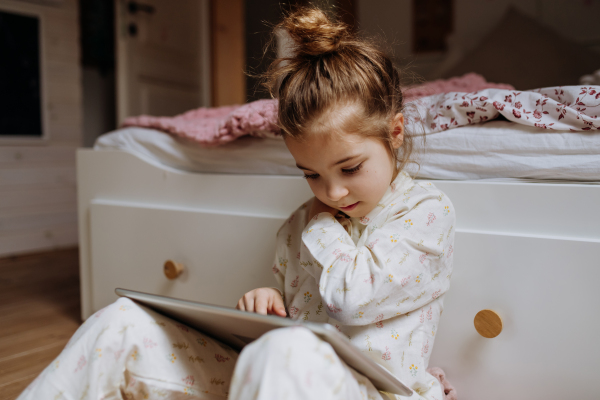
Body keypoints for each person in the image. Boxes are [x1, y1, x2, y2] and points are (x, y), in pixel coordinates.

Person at [18, 6, 455, 400]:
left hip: (372, 391)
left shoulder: (424, 213)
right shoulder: (300, 220)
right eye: (311, 174)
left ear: (395, 134)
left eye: (351, 168)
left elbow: (351, 299)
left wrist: (321, 224)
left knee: (288, 351)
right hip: (280, 379)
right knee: (121, 323)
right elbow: (298, 312)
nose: (332, 192)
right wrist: (271, 302)